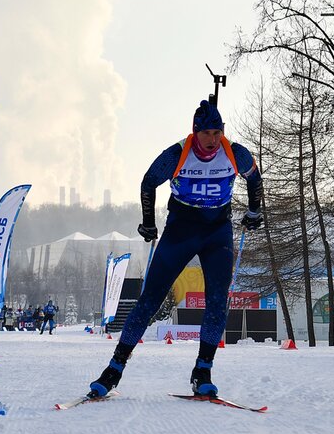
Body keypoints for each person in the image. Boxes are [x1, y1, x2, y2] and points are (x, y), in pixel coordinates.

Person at [88, 99, 264, 399]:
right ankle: (114, 369)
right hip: (181, 230)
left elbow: (254, 178)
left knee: (217, 302)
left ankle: (203, 370)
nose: (212, 140)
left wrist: (254, 211)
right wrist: (147, 222)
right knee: (149, 300)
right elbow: (148, 182)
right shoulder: (177, 154)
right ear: (195, 132)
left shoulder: (235, 153)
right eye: (206, 133)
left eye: (217, 133)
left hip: (217, 232)